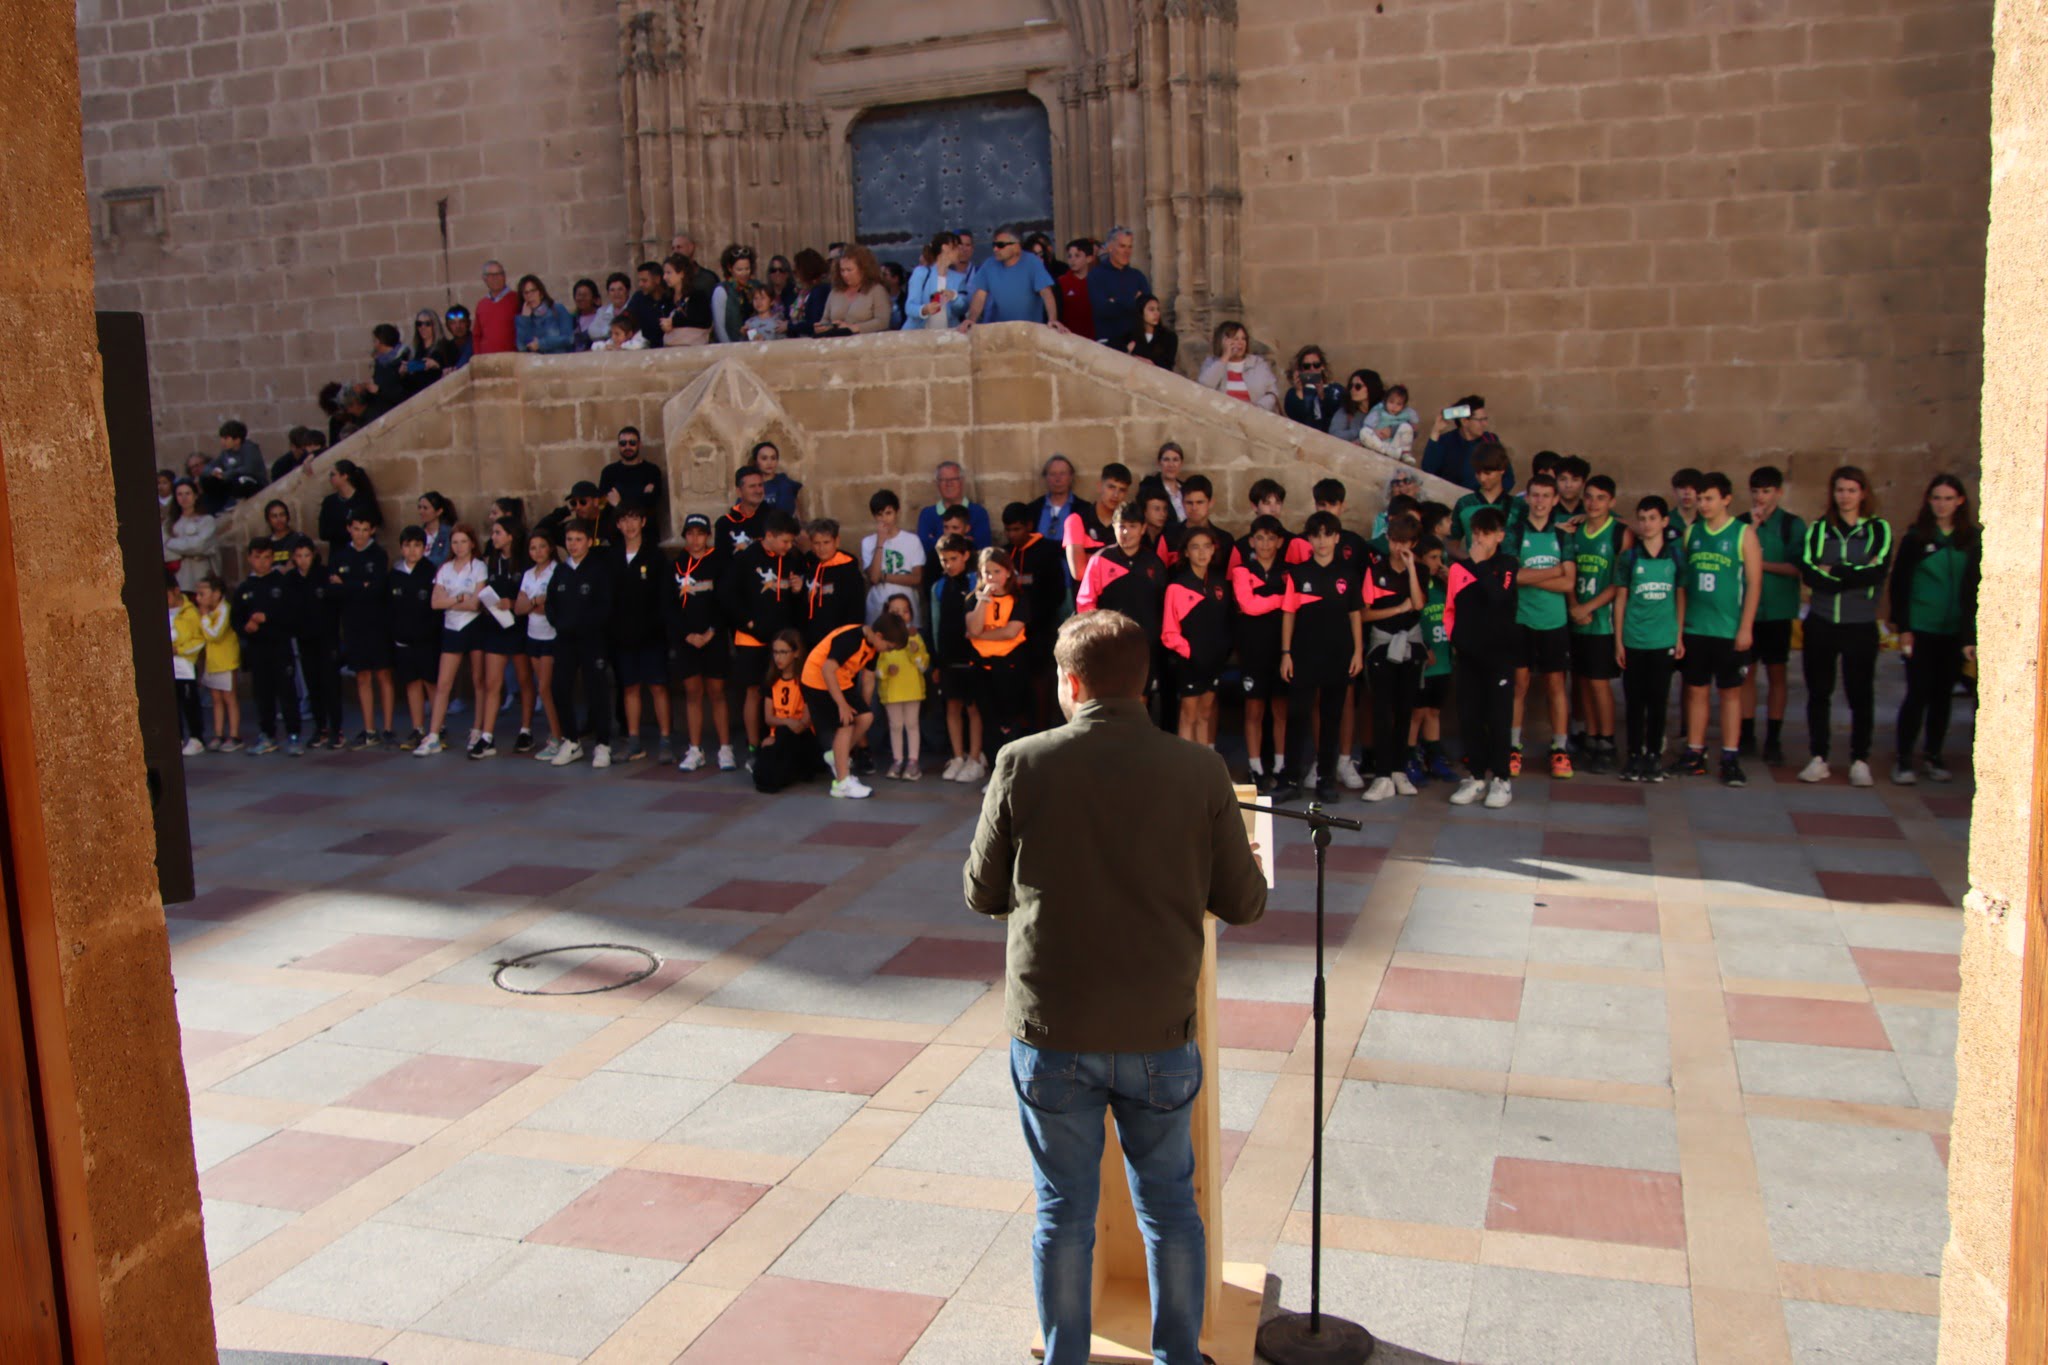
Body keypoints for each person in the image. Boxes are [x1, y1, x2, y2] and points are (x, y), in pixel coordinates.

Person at [962, 609, 1266, 1365]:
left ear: (1069, 684)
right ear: (1147, 681)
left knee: (1063, 1210)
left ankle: (1067, 1356)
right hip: (1159, 1028)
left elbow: (981, 890)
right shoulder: (1199, 769)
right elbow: (1246, 901)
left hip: (1053, 1025)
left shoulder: (1022, 761)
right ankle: (1177, 1356)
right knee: (1170, 1204)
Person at [1796, 466, 1894, 787]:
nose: (1845, 496)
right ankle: (1818, 757)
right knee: (1819, 691)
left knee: (1859, 693)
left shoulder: (1878, 529)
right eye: (1840, 490)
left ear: (1863, 493)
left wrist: (1835, 571)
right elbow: (1809, 570)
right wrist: (1848, 574)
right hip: (1822, 621)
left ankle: (1860, 759)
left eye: (1852, 490)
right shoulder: (1819, 528)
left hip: (1860, 623)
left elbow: (1876, 571)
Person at [1669, 472, 1763, 786]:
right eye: (1700, 499)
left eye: (1709, 498)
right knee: (1695, 690)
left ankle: (1730, 754)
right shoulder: (1691, 533)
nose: (1703, 504)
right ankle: (1695, 752)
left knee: (1730, 693)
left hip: (1728, 628)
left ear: (1726, 499)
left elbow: (1753, 583)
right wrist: (1680, 630)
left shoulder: (1742, 534)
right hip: (1697, 626)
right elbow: (1682, 585)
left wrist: (1746, 626)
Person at [1268, 511, 1364, 804]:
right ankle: (1292, 779)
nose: (1322, 541)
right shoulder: (1298, 574)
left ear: (1336, 537)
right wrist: (1286, 653)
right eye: (1316, 535)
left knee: (1331, 718)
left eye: (1327, 534)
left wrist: (1358, 651)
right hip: (1303, 655)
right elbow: (1288, 614)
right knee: (1297, 716)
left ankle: (1325, 779)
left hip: (1339, 655)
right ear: (1309, 539)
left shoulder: (1348, 574)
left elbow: (1355, 615)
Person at [1891, 474, 1978, 784]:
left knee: (1943, 695)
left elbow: (1974, 589)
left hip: (1953, 631)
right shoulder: (1917, 538)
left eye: (1948, 498)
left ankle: (1934, 754)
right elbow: (1900, 584)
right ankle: (1903, 759)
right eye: (1936, 498)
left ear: (1960, 501)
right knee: (1918, 692)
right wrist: (1904, 627)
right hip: (1921, 628)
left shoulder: (1970, 539)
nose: (1942, 504)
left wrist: (1970, 634)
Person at [1445, 507, 1519, 808]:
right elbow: (1451, 610)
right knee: (1470, 717)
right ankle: (1476, 776)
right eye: (1475, 533)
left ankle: (1501, 779)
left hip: (1499, 657)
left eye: (1486, 533)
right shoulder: (1458, 570)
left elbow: (1499, 599)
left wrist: (1479, 566)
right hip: (1468, 658)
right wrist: (1457, 641)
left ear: (1499, 536)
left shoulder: (1507, 565)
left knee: (1499, 718)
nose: (1479, 539)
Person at [721, 509, 808, 757]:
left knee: (781, 688)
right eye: (785, 541)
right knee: (754, 691)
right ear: (769, 536)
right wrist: (748, 623)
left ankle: (783, 740)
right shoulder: (745, 558)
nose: (789, 546)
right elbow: (728, 596)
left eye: (792, 541)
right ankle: (752, 745)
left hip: (782, 640)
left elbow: (798, 603)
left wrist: (799, 590)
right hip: (751, 638)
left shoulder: (793, 558)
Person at [1611, 496, 1682, 782]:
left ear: (1664, 521)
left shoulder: (1675, 556)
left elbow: (1681, 597)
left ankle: (1654, 755)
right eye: (1642, 519)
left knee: (1658, 700)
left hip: (1663, 640)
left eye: (1653, 518)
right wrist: (1618, 640)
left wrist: (1678, 636)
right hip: (1634, 639)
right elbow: (1620, 601)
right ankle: (1634, 755)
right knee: (1634, 701)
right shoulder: (1630, 557)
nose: (1647, 524)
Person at [1360, 515, 1428, 801]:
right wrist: (1397, 610)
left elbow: (1419, 603)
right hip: (1382, 647)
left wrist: (1411, 568)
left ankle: (1399, 771)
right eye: (1394, 540)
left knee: (1405, 710)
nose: (1397, 546)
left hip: (1410, 647)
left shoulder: (1420, 570)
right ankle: (1383, 774)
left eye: (1404, 542)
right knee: (1381, 711)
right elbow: (1364, 613)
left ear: (1413, 544)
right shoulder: (1374, 571)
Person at [1741, 466, 1805, 765]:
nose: (1760, 497)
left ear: (1778, 492)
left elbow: (1796, 568)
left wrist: (1759, 563)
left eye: (1766, 491)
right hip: (1746, 612)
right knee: (1746, 674)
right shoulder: (1742, 523)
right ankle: (1746, 733)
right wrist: (1751, 531)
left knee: (1777, 674)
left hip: (1778, 611)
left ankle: (1774, 737)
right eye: (1756, 492)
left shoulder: (1791, 525)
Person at [804, 615, 906, 799]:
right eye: (889, 647)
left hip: (841, 680)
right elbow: (827, 669)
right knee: (846, 722)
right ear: (880, 635)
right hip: (817, 680)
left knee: (866, 717)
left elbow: (868, 679)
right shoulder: (851, 639)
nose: (889, 651)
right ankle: (841, 784)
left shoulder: (873, 646)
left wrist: (863, 708)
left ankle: (836, 756)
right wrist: (842, 705)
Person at [1567, 474, 1628, 774]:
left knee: (1599, 684)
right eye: (1589, 496)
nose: (1593, 503)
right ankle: (1591, 737)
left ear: (1612, 502)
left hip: (1601, 620)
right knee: (1582, 682)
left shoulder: (1620, 533)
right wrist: (1574, 607)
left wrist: (1587, 607)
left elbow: (1621, 582)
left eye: (1601, 498)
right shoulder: (1574, 530)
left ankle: (1607, 740)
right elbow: (1566, 572)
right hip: (1577, 617)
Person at [545, 518, 616, 769]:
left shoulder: (598, 569)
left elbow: (604, 605)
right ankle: (571, 740)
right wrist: (559, 622)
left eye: (578, 540)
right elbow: (551, 602)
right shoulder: (561, 571)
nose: (573, 545)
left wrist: (587, 625)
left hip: (592, 639)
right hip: (565, 641)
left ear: (588, 541)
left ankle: (603, 744)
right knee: (559, 688)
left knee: (596, 689)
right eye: (569, 540)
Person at [608, 502, 674, 763]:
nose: (630, 525)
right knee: (629, 687)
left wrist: (662, 630)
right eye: (624, 520)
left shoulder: (655, 557)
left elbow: (664, 598)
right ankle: (633, 740)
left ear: (643, 522)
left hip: (651, 635)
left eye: (635, 518)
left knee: (658, 687)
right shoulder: (612, 557)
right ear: (618, 525)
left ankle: (666, 739)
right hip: (623, 636)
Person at [414, 524, 489, 757]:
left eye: (463, 542)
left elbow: (475, 603)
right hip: (452, 626)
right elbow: (436, 603)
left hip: (474, 626)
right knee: (444, 682)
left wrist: (451, 599)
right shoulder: (445, 569)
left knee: (478, 679)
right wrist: (458, 597)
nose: (458, 547)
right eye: (455, 542)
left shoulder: (478, 567)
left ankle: (477, 729)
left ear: (472, 543)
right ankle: (434, 734)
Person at [670, 513, 736, 773]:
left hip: (714, 639)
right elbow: (669, 606)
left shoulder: (719, 563)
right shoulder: (675, 565)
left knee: (717, 693)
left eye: (700, 533)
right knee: (693, 693)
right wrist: (687, 635)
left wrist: (711, 632)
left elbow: (725, 601)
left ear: (707, 535)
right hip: (687, 640)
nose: (695, 539)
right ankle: (695, 748)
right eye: (690, 533)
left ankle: (725, 748)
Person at [1232, 515, 1291, 789]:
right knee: (1254, 710)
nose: (1265, 543)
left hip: (1282, 651)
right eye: (1260, 538)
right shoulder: (1243, 571)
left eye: (1271, 538)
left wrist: (1263, 599)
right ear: (1252, 541)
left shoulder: (1289, 572)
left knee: (1280, 709)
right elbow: (1249, 605)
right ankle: (1255, 766)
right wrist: (1281, 599)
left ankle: (1280, 765)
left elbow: (1292, 606)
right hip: (1252, 651)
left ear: (1279, 541)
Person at [1162, 525, 1232, 747]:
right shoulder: (1177, 586)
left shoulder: (1220, 583)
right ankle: (1185, 770)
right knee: (1188, 715)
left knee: (1205, 714)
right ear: (1186, 552)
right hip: (1189, 662)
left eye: (1206, 547)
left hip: (1215, 661)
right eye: (1195, 547)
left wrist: (1219, 651)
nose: (1202, 553)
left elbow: (1226, 623)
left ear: (1214, 550)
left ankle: (1202, 767)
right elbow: (1169, 632)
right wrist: (1192, 652)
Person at [331, 512, 395, 749]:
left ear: (371, 531)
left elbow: (377, 588)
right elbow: (334, 591)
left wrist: (348, 585)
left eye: (364, 529)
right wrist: (360, 585)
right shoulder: (340, 556)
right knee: (362, 676)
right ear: (349, 529)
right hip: (353, 625)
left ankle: (388, 728)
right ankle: (369, 729)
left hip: (377, 624)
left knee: (383, 674)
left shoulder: (378, 554)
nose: (360, 534)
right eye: (356, 528)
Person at [231, 539, 300, 756]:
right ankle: (267, 735)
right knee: (262, 693)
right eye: (258, 557)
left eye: (267, 557)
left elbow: (292, 615)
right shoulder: (244, 588)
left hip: (280, 647)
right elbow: (236, 619)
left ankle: (294, 735)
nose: (262, 562)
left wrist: (267, 617)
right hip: (257, 650)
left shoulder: (282, 583)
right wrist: (246, 627)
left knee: (287, 692)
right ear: (250, 558)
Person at [969, 547, 1031, 757]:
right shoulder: (974, 599)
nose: (992, 577)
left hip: (1009, 667)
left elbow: (1010, 632)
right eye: (987, 572)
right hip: (982, 668)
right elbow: (973, 628)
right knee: (989, 719)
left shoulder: (1019, 599)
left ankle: (1012, 766)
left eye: (997, 571)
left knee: (1010, 718)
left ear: (1007, 572)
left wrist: (979, 636)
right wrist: (984, 600)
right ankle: (993, 767)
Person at [286, 542, 344, 750]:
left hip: (326, 639)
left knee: (330, 684)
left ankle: (337, 729)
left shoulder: (325, 574)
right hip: (305, 639)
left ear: (314, 555)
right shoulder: (291, 579)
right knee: (313, 684)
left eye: (306, 555)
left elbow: (338, 600)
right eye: (299, 555)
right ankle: (321, 728)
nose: (303, 560)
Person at [1408, 537, 1457, 785]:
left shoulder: (1443, 585)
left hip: (1444, 657)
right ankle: (1410, 757)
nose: (1439, 563)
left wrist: (1451, 583)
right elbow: (1411, 618)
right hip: (1424, 659)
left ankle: (1434, 757)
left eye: (1441, 558)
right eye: (1433, 558)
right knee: (1417, 711)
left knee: (1434, 711)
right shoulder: (1416, 584)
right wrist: (1422, 647)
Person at [514, 529, 566, 761]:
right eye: (533, 548)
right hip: (532, 634)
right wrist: (535, 601)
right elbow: (519, 608)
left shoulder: (557, 571)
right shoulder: (528, 574)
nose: (538, 552)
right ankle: (556, 733)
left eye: (542, 546)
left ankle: (558, 736)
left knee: (546, 688)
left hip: (551, 636)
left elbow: (553, 605)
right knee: (542, 689)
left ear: (551, 548)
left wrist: (534, 603)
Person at [385, 527, 439, 747]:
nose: (412, 550)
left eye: (417, 545)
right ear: (401, 548)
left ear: (424, 547)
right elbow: (389, 608)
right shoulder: (395, 575)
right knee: (412, 683)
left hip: (427, 640)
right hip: (403, 640)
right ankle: (418, 728)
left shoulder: (431, 572)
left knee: (431, 683)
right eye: (407, 545)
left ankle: (438, 728)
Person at [753, 631, 825, 794]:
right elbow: (768, 718)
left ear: (796, 653)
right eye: (775, 652)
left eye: (783, 652)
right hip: (779, 735)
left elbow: (804, 723)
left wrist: (784, 727)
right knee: (762, 774)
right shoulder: (771, 681)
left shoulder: (806, 681)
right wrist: (785, 723)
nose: (778, 657)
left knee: (783, 741)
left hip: (802, 739)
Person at [959, 225, 1060, 328]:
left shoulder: (1032, 262)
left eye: (1000, 245)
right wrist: (971, 320)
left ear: (1016, 246)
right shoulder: (989, 264)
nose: (995, 249)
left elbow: (1046, 293)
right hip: (1000, 332)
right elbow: (980, 296)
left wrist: (1052, 320)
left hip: (1029, 332)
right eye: (994, 245)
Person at [875, 593, 929, 779]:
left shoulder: (915, 638)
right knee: (895, 725)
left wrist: (915, 654)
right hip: (891, 691)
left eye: (904, 611)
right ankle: (898, 760)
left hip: (912, 689)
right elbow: (876, 667)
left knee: (912, 724)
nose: (900, 615)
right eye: (895, 611)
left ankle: (913, 761)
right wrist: (885, 670)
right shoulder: (880, 639)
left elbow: (924, 665)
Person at [862, 489, 926, 625]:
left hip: (907, 607)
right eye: (880, 515)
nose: (885, 519)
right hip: (879, 606)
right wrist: (880, 542)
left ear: (897, 512)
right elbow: (873, 577)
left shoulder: (912, 540)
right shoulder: (868, 542)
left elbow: (916, 578)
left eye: (888, 513)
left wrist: (884, 577)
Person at [194, 574, 241, 750]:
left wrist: (204, 617)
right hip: (212, 661)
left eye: (202, 594)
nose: (199, 599)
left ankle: (235, 735)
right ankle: (218, 734)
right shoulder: (205, 613)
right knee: (216, 699)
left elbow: (215, 634)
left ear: (217, 593)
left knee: (229, 698)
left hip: (226, 661)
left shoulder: (225, 610)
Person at [1422, 396, 1509, 491]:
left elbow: (1508, 478)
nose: (1485, 424)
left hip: (1480, 502)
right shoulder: (1446, 441)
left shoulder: (1490, 441)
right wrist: (1436, 431)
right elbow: (1428, 470)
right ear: (1464, 421)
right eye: (1480, 420)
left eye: (1485, 419)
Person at [1062, 462, 1130, 582]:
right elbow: (1079, 572)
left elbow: (1131, 568)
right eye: (1111, 487)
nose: (1115, 495)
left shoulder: (1128, 523)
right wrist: (1115, 564)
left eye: (1122, 490)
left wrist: (1091, 558)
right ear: (1100, 486)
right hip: (1087, 598)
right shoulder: (1076, 520)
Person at [804, 518, 865, 646]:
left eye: (826, 542)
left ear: (836, 542)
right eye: (817, 543)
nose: (821, 548)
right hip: (813, 640)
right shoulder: (810, 568)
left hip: (839, 640)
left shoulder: (848, 570)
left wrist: (847, 640)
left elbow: (856, 610)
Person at [1087, 225, 1150, 347]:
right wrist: (1132, 301)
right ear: (1110, 248)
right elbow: (1102, 309)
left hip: (1136, 343)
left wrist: (1115, 301)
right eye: (1122, 246)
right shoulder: (1096, 275)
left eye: (1130, 247)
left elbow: (1146, 309)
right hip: (1109, 343)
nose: (1127, 251)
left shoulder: (1138, 276)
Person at [1196, 322, 1279, 412]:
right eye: (1235, 339)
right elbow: (1204, 386)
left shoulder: (1257, 363)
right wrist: (1225, 357)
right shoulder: (1212, 363)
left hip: (1253, 416)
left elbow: (1272, 392)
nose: (1240, 343)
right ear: (1223, 341)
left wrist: (1258, 408)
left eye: (1243, 339)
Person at [600, 426, 665, 539]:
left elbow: (650, 504)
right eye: (623, 443)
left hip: (647, 536)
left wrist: (619, 504)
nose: (627, 447)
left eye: (632, 443)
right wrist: (640, 496)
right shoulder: (609, 472)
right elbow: (605, 505)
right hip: (617, 537)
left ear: (639, 444)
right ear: (618, 445)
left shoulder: (651, 471)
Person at [814, 245, 894, 336]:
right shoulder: (835, 292)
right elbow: (826, 318)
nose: (845, 274)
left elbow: (883, 322)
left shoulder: (877, 290)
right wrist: (824, 326)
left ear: (863, 269)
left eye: (849, 270)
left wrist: (852, 328)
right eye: (842, 270)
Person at [168, 573, 207, 755]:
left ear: (176, 591)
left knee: (190, 703)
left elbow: (199, 639)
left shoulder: (191, 613)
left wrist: (180, 649)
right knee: (171, 704)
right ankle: (177, 736)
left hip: (186, 666)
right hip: (169, 668)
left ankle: (196, 737)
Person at [916, 462, 993, 552]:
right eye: (943, 480)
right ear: (937, 483)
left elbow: (982, 548)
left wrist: (936, 540)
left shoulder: (978, 513)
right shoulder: (927, 514)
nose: (949, 484)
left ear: (961, 481)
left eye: (954, 479)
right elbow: (923, 546)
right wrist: (963, 541)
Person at [1452, 445, 1523, 542]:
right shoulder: (1464, 503)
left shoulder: (1518, 506)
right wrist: (1468, 557)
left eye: (1488, 473)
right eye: (1478, 473)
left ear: (1502, 469)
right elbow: (1451, 543)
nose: (1482, 478)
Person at [905, 232, 971, 332]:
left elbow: (963, 309)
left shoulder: (959, 278)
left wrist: (954, 297)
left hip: (947, 338)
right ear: (945, 247)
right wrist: (924, 309)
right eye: (957, 247)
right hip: (919, 338)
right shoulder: (921, 273)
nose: (960, 251)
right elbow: (909, 307)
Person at [164, 479, 220, 593]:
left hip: (201, 577)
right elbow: (163, 548)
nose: (184, 498)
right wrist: (187, 549)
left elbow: (199, 546)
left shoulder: (206, 521)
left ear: (195, 495)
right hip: (179, 579)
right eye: (180, 494)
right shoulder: (169, 523)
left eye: (187, 493)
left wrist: (171, 543)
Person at [203, 420, 267, 511]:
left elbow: (248, 469)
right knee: (208, 481)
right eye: (222, 438)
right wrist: (213, 472)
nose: (222, 441)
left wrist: (227, 474)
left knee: (240, 480)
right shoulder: (226, 453)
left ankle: (235, 502)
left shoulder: (250, 448)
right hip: (232, 481)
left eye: (226, 438)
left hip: (253, 482)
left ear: (237, 440)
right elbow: (209, 467)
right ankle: (216, 509)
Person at [317, 459, 379, 549]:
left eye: (333, 475)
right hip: (338, 553)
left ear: (344, 476)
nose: (330, 478)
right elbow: (323, 533)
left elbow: (370, 529)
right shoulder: (329, 502)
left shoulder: (364, 500)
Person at [1283, 345, 1344, 431]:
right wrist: (1299, 391)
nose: (1312, 369)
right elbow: (1296, 416)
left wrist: (1322, 394)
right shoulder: (1293, 393)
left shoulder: (1335, 389)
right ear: (1301, 369)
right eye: (1307, 366)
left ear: (1322, 366)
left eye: (1316, 365)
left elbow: (1334, 412)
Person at [659, 253, 714, 346]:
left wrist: (674, 322)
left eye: (669, 273)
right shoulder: (666, 298)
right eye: (664, 273)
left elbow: (704, 320)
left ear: (681, 274)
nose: (664, 277)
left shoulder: (698, 296)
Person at [1028, 455, 1082, 547]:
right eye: (1053, 474)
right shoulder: (1033, 509)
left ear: (1071, 477)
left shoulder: (1083, 509)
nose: (1058, 479)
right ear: (1046, 478)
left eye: (1062, 474)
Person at [514, 275, 576, 354]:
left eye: (533, 291)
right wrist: (525, 319)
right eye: (526, 293)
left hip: (559, 362)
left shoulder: (558, 309)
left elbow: (569, 339)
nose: (530, 296)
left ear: (541, 293)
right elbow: (521, 347)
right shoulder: (524, 319)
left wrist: (541, 344)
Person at [1361, 382, 1420, 465]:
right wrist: (1376, 432)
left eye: (1399, 404)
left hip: (1396, 447)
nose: (1394, 406)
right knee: (1364, 432)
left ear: (1403, 406)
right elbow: (1367, 425)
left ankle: (1405, 454)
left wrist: (1412, 427)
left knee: (1406, 426)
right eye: (1391, 402)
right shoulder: (1379, 411)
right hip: (1380, 444)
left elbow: (1414, 431)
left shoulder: (1406, 415)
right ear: (1386, 401)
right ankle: (1386, 451)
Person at [711, 244, 757, 344]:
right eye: (739, 270)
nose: (744, 273)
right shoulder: (722, 290)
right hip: (729, 345)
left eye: (747, 269)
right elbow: (720, 327)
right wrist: (729, 348)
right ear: (730, 268)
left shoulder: (754, 287)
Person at [1119, 293, 1177, 370]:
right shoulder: (1128, 336)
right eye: (1151, 309)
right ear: (1141, 312)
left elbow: (1168, 365)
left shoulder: (1169, 337)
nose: (1156, 313)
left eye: (1158, 309)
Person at [1136, 441, 1188, 525]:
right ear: (1159, 462)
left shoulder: (1186, 489)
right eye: (1166, 460)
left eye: (1175, 460)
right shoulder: (1149, 486)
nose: (1171, 465)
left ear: (1181, 463)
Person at [786, 248, 832, 338]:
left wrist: (789, 326)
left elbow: (815, 323)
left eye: (796, 272)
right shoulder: (802, 292)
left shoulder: (820, 290)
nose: (795, 276)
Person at [1056, 237, 1097, 338]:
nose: (1072, 260)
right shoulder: (1061, 282)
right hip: (1069, 339)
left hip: (1095, 340)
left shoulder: (1098, 281)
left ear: (1089, 258)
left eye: (1077, 256)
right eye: (1069, 256)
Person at [753, 441, 803, 516]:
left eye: (773, 458)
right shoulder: (750, 485)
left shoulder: (784, 484)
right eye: (764, 458)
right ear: (756, 461)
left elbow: (786, 514)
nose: (769, 462)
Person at [416, 491, 456, 565]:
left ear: (439, 512)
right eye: (419, 507)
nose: (421, 511)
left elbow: (445, 558)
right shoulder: (416, 534)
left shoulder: (448, 533)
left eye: (425, 508)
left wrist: (418, 561)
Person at [569, 277, 609, 351]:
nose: (581, 298)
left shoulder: (603, 317)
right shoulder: (571, 320)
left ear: (594, 298)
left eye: (585, 295)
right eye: (579, 295)